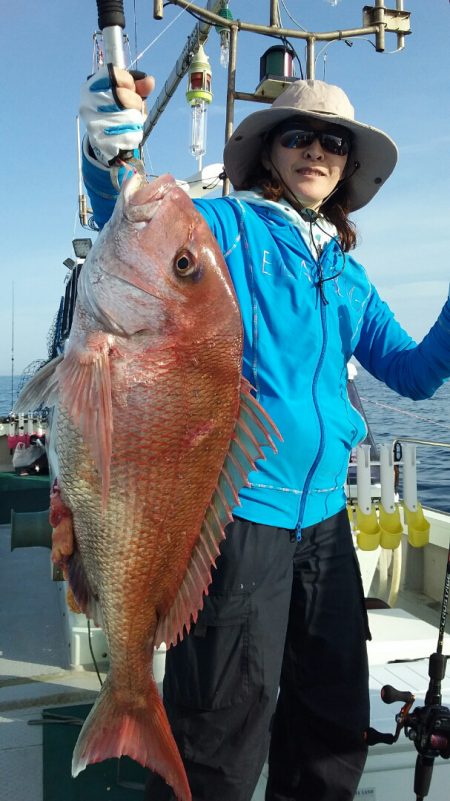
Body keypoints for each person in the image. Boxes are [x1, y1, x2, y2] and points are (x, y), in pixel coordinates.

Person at [74, 65, 450, 801]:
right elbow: (133, 227)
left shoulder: (347, 274)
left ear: (348, 166)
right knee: (220, 732)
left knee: (332, 722)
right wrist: (106, 149)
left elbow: (412, 374)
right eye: (299, 135)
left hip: (325, 524)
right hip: (240, 517)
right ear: (271, 151)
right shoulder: (229, 229)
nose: (317, 151)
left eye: (334, 142)